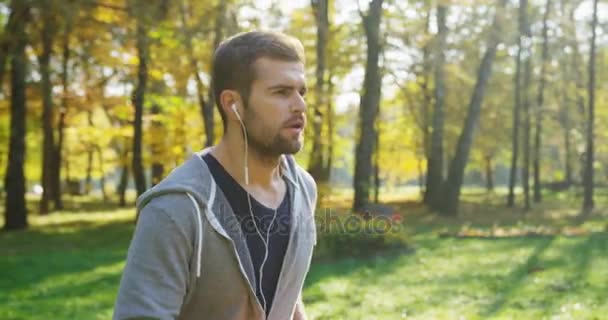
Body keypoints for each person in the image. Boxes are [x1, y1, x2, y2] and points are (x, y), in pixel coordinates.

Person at [113, 31, 317, 320]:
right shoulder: (176, 209)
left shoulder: (303, 189)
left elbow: (286, 294)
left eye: (301, 92)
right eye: (281, 92)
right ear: (233, 104)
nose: (300, 106)